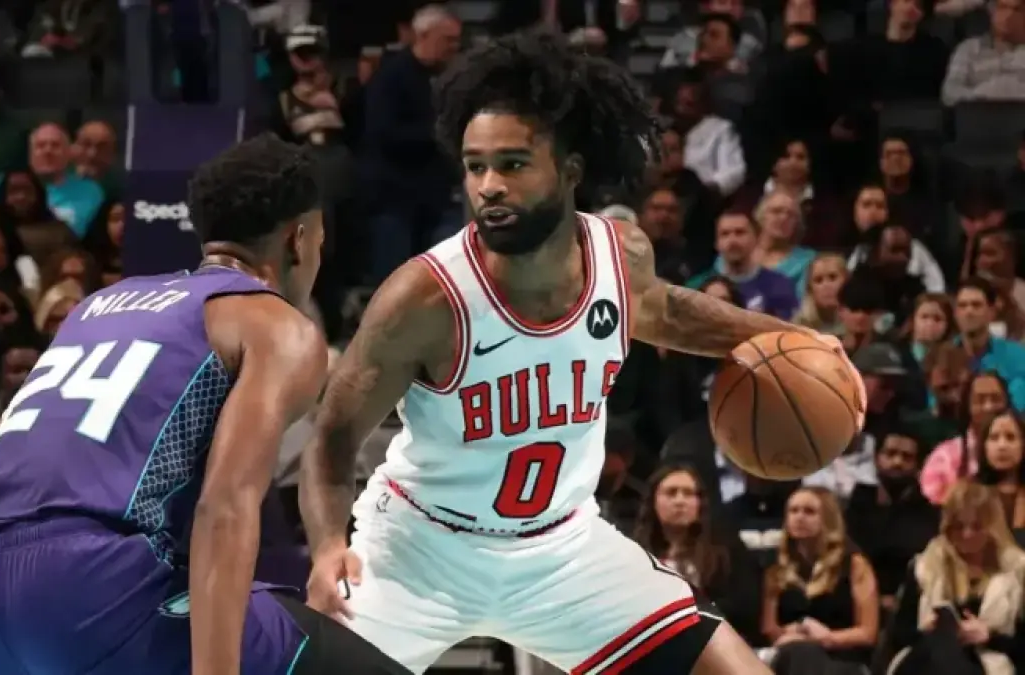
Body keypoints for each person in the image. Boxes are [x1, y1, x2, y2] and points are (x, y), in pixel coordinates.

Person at [299, 31, 864, 675]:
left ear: (570, 171)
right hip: (420, 553)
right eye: (475, 166)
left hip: (562, 553)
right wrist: (326, 546)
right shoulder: (425, 297)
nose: (489, 186)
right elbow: (332, 436)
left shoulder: (619, 255)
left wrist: (789, 339)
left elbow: (666, 311)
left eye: (513, 164)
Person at [0, 135, 412, 675]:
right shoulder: (274, 325)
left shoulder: (96, 308)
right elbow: (224, 509)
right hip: (88, 588)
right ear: (298, 241)